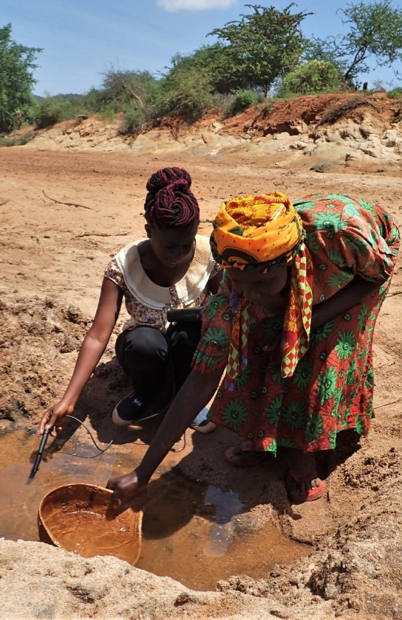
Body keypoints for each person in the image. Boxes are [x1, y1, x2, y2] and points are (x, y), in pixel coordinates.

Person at [106, 191, 399, 505]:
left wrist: (311, 320)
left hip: (352, 273)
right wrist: (143, 473)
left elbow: (377, 274)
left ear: (289, 263)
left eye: (262, 284)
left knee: (319, 358)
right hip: (302, 276)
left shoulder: (340, 234)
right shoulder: (237, 286)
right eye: (239, 283)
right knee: (257, 346)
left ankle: (303, 457)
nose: (252, 296)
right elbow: (202, 378)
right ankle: (267, 437)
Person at [39, 167, 222, 437]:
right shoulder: (123, 265)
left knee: (188, 332)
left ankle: (187, 397)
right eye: (170, 246)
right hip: (142, 354)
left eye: (186, 244)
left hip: (189, 354)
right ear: (149, 230)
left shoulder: (209, 255)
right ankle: (145, 395)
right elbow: (98, 335)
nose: (179, 254)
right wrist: (69, 399)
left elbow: (231, 308)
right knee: (144, 341)